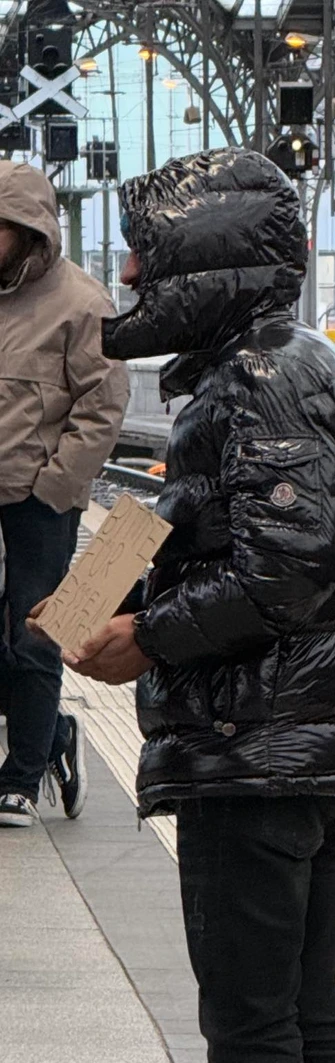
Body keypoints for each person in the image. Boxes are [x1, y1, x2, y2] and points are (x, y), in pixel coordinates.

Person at [43, 148, 335, 1063]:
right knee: (306, 1025)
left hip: (257, 748)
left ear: (206, 266)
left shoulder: (250, 383)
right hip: (315, 747)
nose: (132, 279)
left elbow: (281, 566)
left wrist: (145, 638)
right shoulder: (285, 368)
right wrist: (83, 603)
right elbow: (199, 520)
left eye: (150, 257)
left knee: (256, 1035)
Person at [0, 161, 129, 826]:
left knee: (37, 634)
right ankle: (54, 734)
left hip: (40, 501)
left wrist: (56, 485)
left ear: (28, 229)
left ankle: (21, 778)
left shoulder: (82, 301)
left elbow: (102, 408)